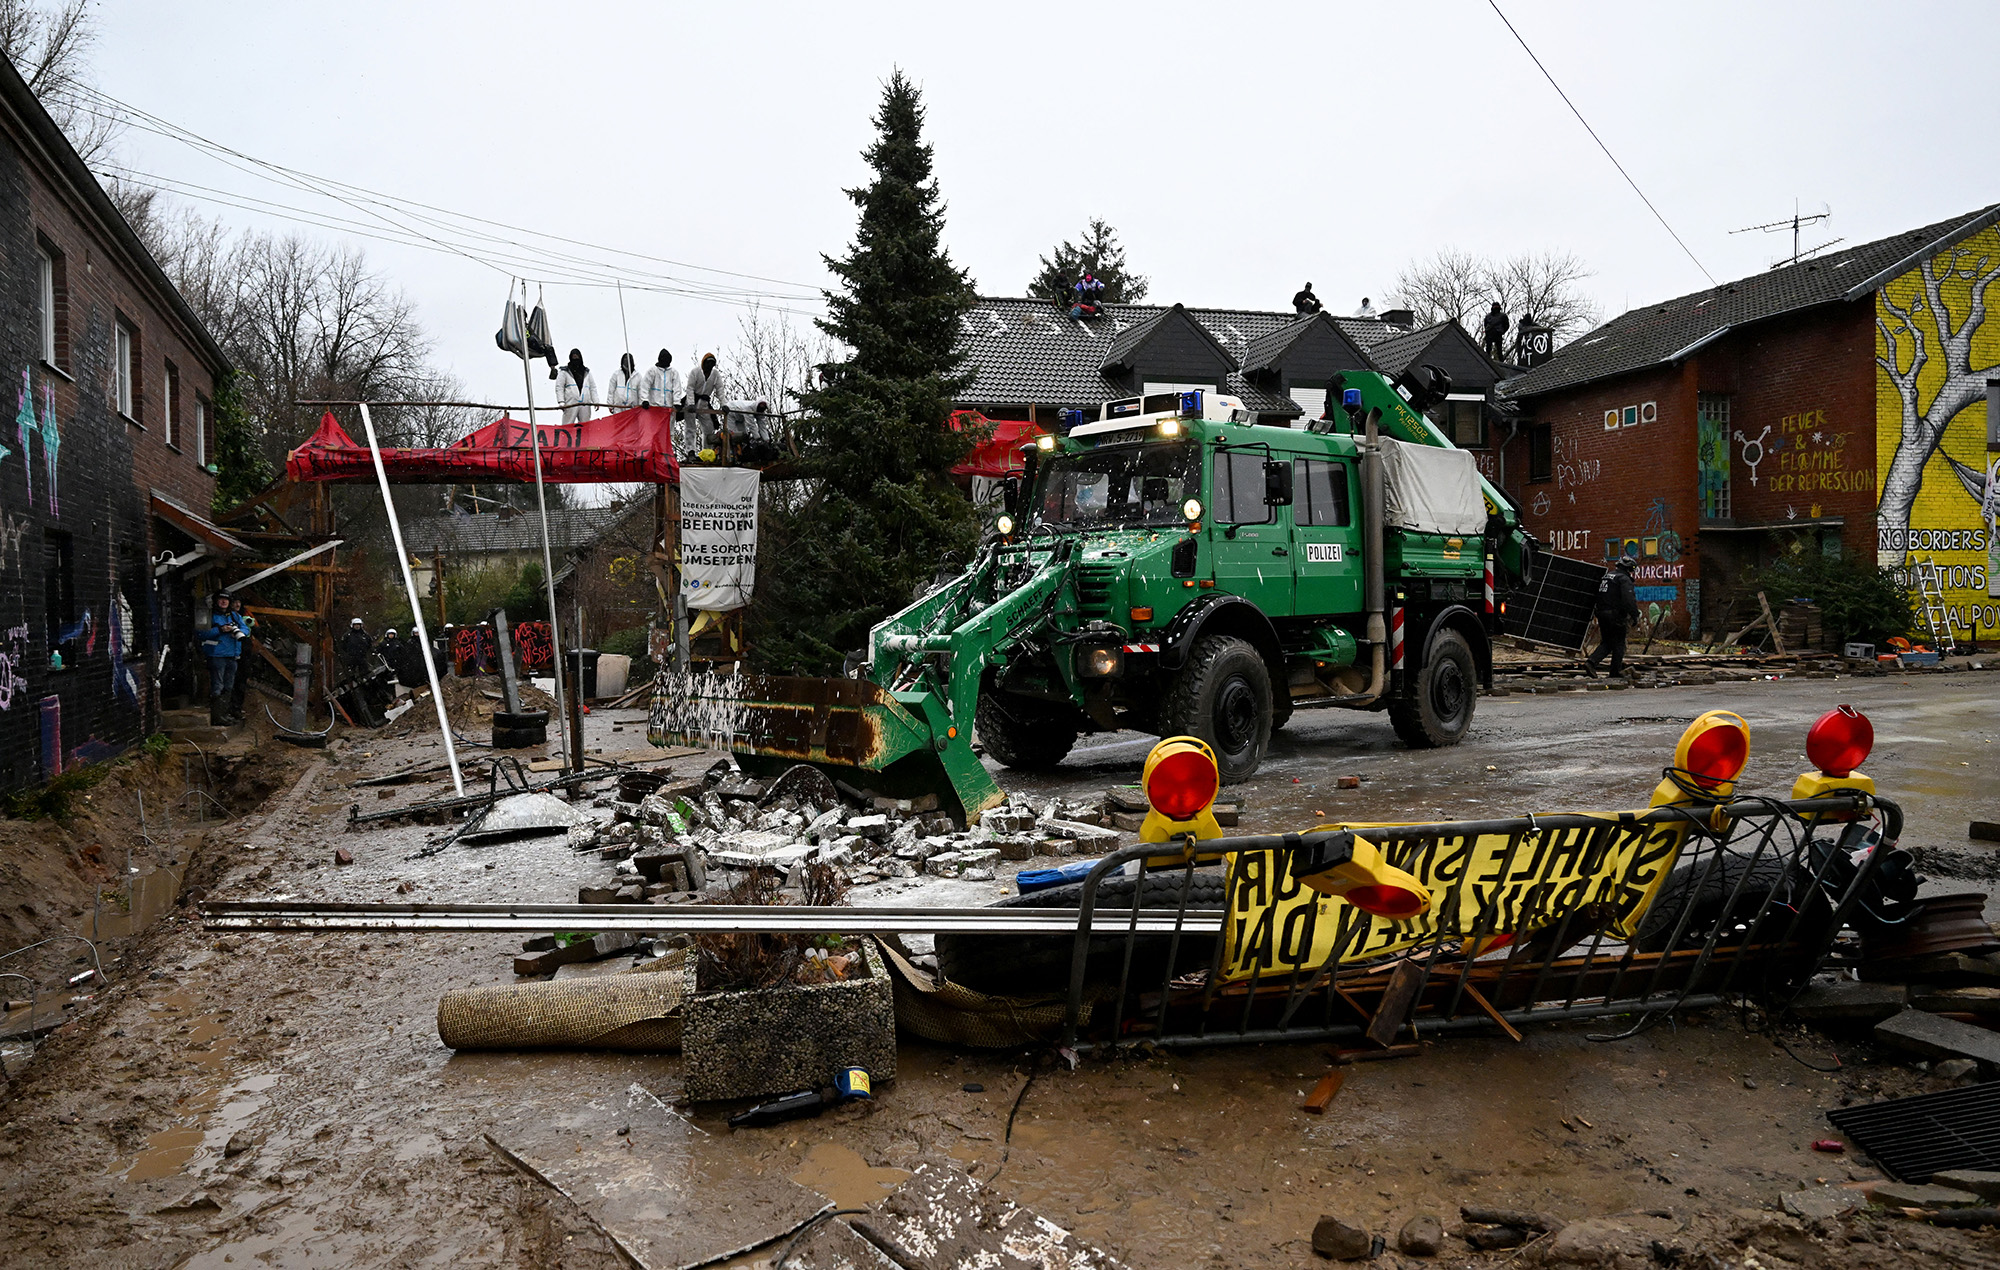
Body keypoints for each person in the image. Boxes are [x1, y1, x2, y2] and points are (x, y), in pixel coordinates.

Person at [1585, 554, 1641, 678]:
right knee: (1619, 644)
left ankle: (1591, 662)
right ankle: (1615, 672)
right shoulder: (1623, 579)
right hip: (1616, 616)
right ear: (1629, 569)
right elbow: (1628, 600)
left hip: (1602, 614)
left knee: (1607, 643)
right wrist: (1635, 615)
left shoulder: (1607, 577)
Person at [205, 596, 244, 726]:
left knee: (228, 686)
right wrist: (220, 630)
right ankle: (217, 717)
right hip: (217, 654)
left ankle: (224, 714)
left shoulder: (234, 616)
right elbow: (201, 633)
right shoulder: (211, 616)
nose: (223, 602)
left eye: (226, 600)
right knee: (218, 686)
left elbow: (245, 629)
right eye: (221, 599)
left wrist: (237, 632)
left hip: (232, 655)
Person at [680, 352, 726, 448]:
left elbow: (720, 389)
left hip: (704, 404)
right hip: (691, 402)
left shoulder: (715, 374)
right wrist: (691, 403)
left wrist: (724, 404)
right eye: (708, 363)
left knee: (709, 428)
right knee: (690, 427)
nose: (709, 365)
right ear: (703, 363)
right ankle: (690, 451)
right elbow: (690, 388)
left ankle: (707, 451)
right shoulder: (695, 372)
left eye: (712, 363)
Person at [228, 598, 256, 722]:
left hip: (243, 654)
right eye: (234, 602)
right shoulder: (225, 616)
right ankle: (229, 708)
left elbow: (247, 629)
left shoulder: (242, 616)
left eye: (239, 602)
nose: (237, 605)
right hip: (230, 653)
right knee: (228, 682)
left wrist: (240, 631)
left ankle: (236, 708)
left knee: (240, 682)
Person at [556, 349, 597, 425]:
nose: (575, 359)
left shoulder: (586, 372)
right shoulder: (564, 371)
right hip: (571, 402)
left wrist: (596, 401)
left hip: (585, 402)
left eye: (577, 357)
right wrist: (561, 401)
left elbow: (593, 388)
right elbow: (559, 387)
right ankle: (565, 436)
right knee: (567, 424)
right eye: (573, 357)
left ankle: (585, 437)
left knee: (585, 425)